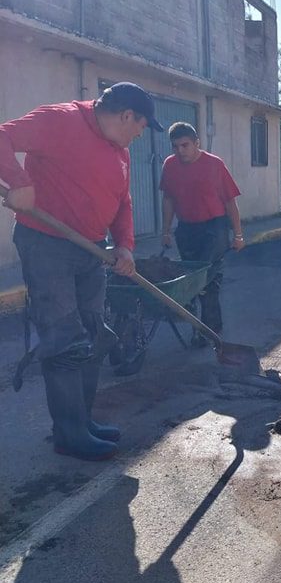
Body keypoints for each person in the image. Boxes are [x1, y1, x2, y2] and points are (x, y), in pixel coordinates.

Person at [0, 82, 162, 460]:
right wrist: (20, 182)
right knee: (65, 339)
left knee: (94, 334)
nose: (141, 133)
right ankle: (69, 433)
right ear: (126, 116)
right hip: (46, 244)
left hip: (91, 249)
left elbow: (123, 201)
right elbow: (2, 136)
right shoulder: (60, 120)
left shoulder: (118, 151)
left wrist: (125, 245)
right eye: (141, 125)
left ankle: (82, 421)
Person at [160, 122, 243, 345]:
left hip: (213, 228)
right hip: (186, 229)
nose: (180, 151)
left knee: (207, 280)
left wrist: (238, 235)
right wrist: (166, 231)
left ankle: (209, 331)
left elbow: (230, 201)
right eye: (175, 147)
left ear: (197, 143)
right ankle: (199, 324)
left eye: (185, 145)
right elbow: (168, 199)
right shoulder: (170, 165)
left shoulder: (214, 165)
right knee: (190, 280)